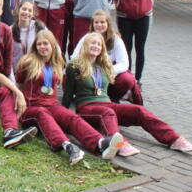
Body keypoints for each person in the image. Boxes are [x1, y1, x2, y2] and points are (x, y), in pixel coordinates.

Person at [63, 32, 192, 156]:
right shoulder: (74, 66)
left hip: (106, 103)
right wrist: (64, 117)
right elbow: (68, 93)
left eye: (99, 44)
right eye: (92, 43)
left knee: (138, 110)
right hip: (86, 107)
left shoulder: (104, 66)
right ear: (86, 45)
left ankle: (174, 139)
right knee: (107, 112)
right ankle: (120, 144)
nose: (95, 46)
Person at [15, 30, 123, 165]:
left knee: (71, 117)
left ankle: (100, 143)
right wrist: (17, 102)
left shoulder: (56, 63)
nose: (42, 47)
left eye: (45, 44)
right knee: (42, 114)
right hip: (31, 107)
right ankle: (68, 147)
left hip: (51, 104)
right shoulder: (28, 62)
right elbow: (17, 83)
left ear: (53, 45)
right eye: (39, 44)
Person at [71, 10, 143, 105]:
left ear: (108, 23)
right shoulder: (86, 38)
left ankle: (113, 98)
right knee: (68, 76)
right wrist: (86, 69)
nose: (99, 25)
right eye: (96, 22)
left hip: (109, 73)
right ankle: (86, 96)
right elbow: (74, 58)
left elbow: (124, 64)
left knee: (127, 79)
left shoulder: (116, 39)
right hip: (90, 72)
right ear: (92, 24)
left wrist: (105, 71)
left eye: (102, 22)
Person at [10, 0, 46, 75]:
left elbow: (52, 45)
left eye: (30, 10)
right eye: (24, 9)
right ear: (18, 10)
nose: (26, 12)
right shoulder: (9, 30)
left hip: (35, 71)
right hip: (17, 72)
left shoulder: (39, 27)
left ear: (33, 14)